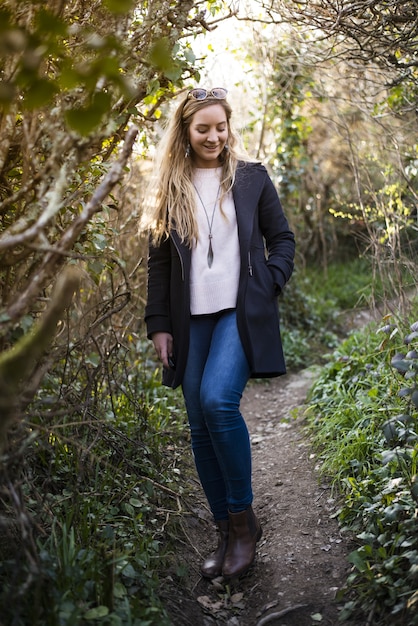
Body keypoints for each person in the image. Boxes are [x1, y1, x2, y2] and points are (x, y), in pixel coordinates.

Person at [144, 86, 295, 581]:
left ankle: (243, 522)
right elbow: (160, 262)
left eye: (220, 126)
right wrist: (159, 327)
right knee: (196, 419)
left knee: (216, 402)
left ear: (229, 126)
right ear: (186, 132)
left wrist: (267, 285)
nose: (213, 136)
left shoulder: (251, 178)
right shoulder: (172, 185)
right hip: (191, 320)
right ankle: (224, 530)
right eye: (202, 128)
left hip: (237, 313)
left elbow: (282, 239)